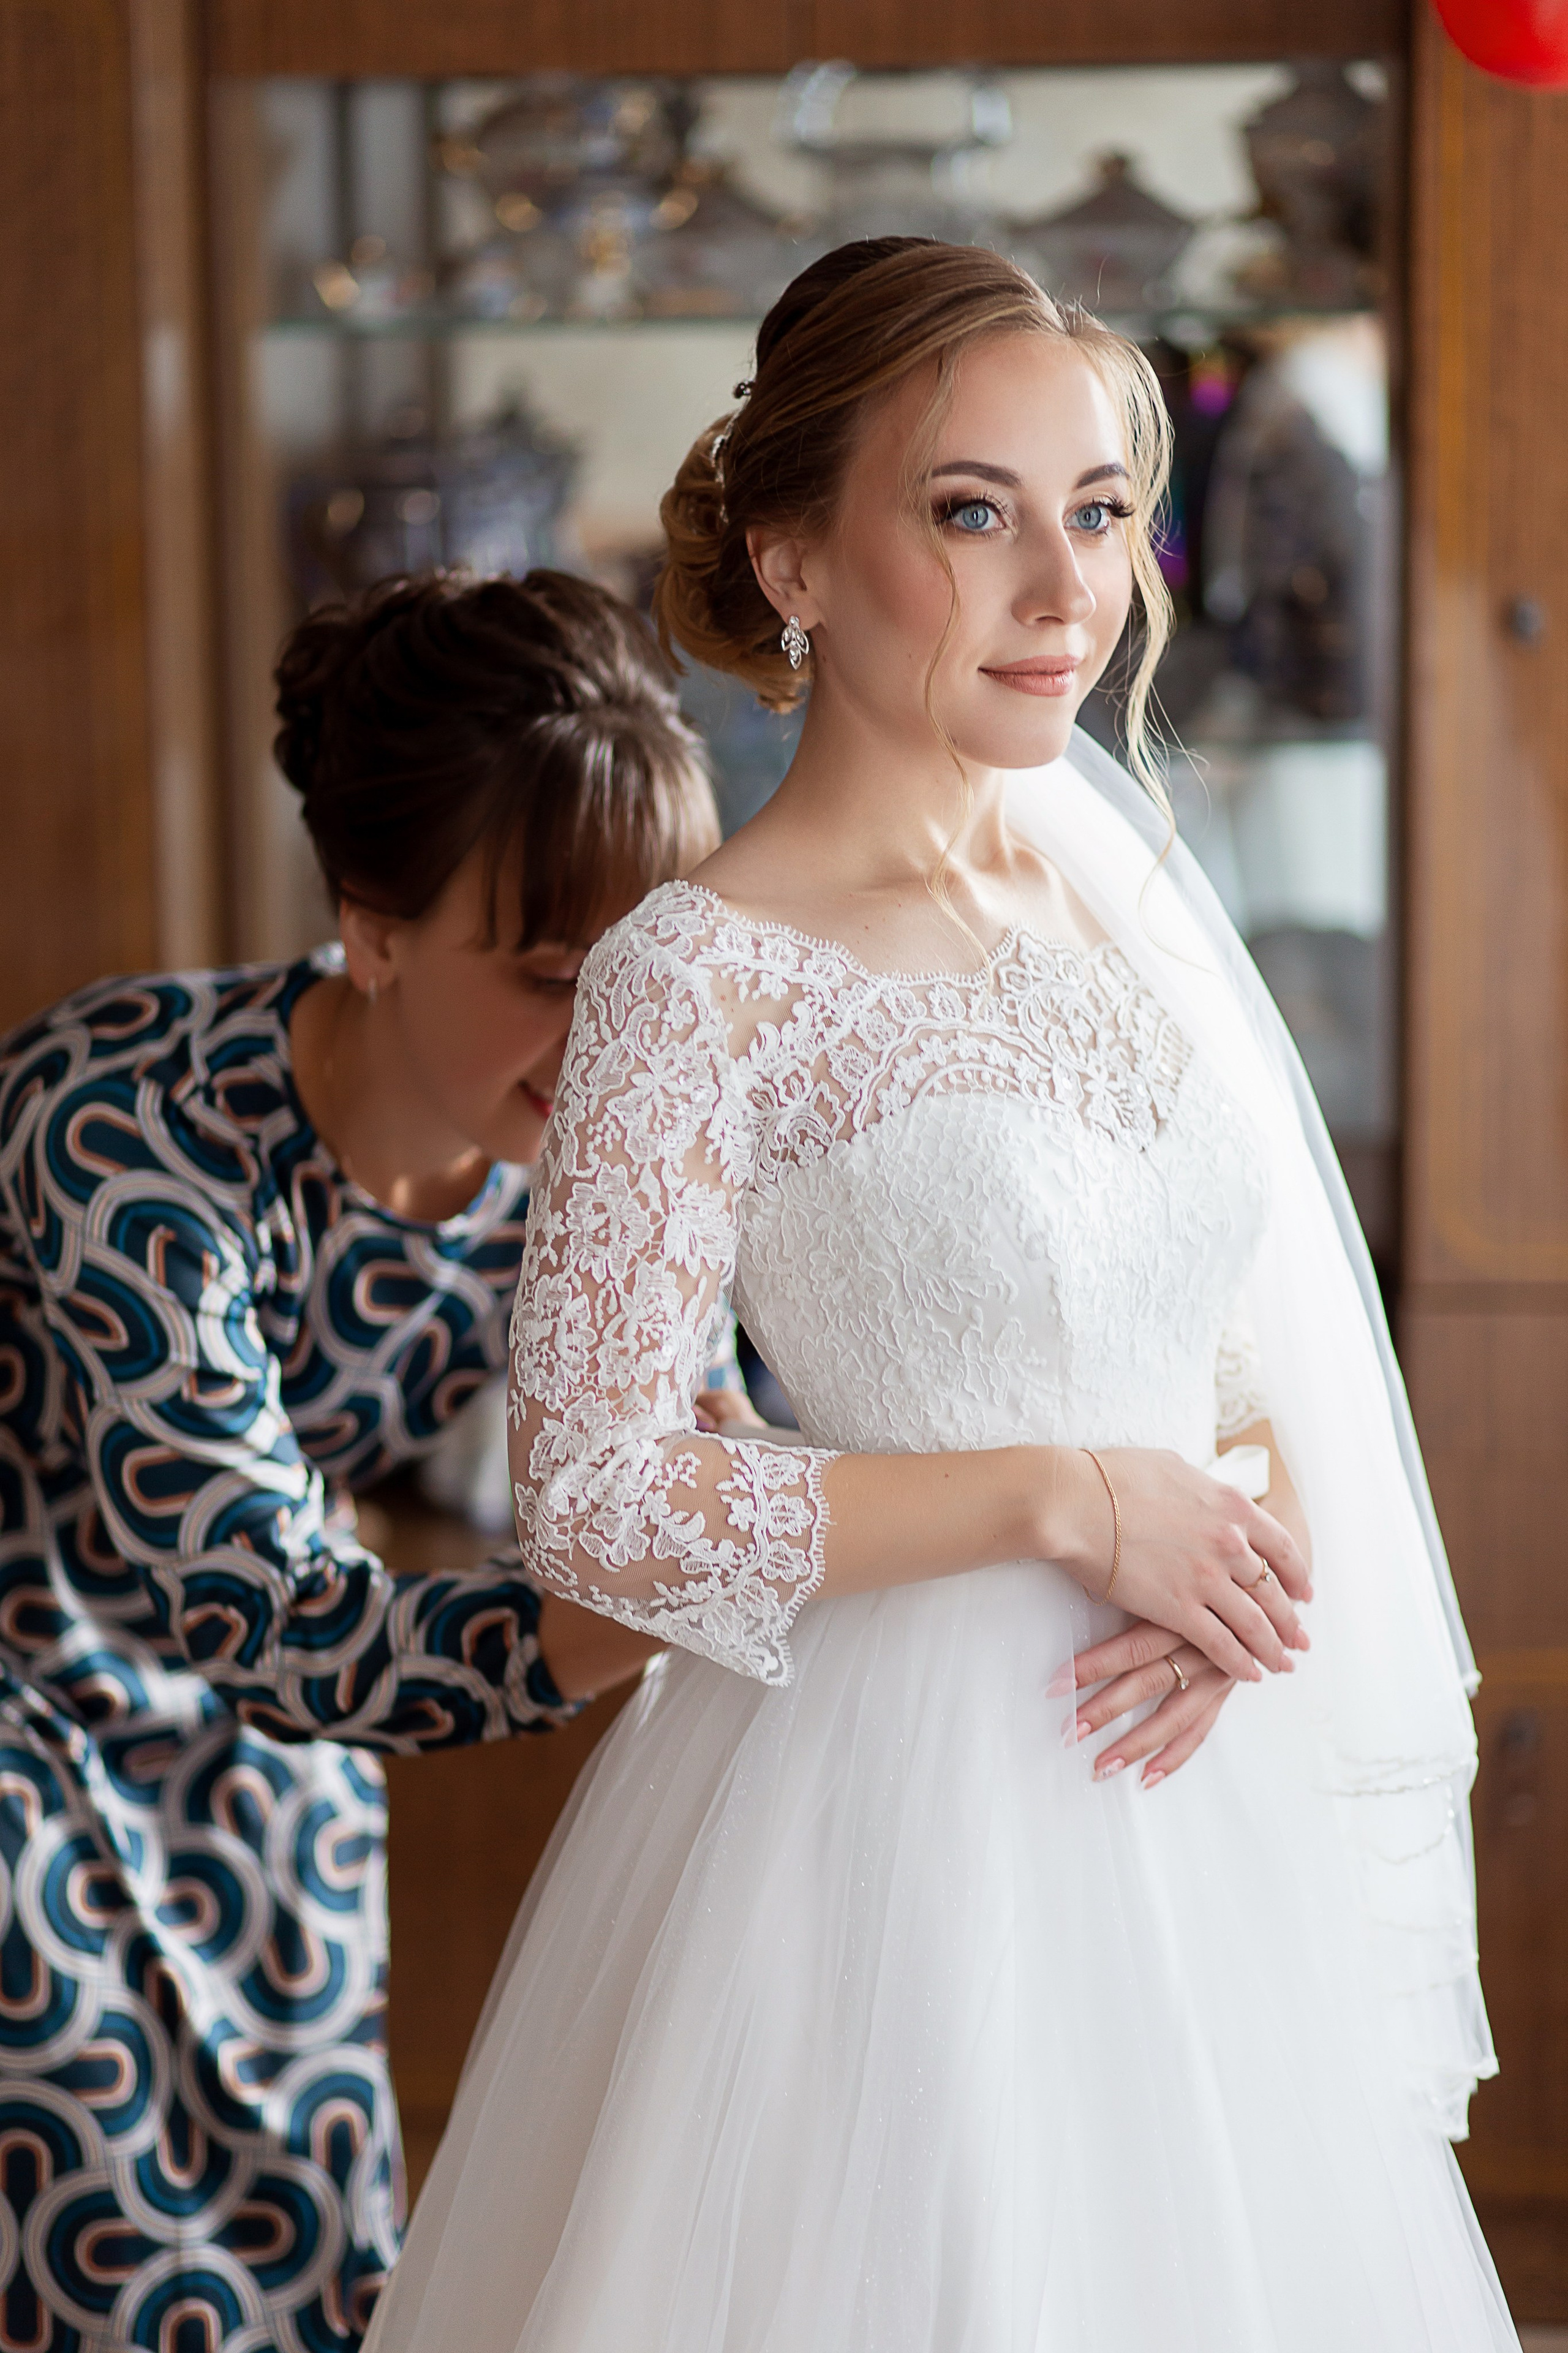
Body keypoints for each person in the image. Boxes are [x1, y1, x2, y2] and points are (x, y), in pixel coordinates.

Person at [367, 244, 1518, 2351]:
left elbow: (1253, 1352)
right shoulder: (691, 978)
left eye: (1098, 511)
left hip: (1185, 1783)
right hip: (877, 1834)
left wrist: (1228, 1567)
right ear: (793, 553)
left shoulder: (1129, 896)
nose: (1063, 589)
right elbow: (601, 1506)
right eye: (972, 512)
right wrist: (1074, 1501)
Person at [0, 569, 735, 2352]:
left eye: (651, 980)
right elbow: (287, 1620)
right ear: (371, 923)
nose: (617, 1046)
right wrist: (694, 1579)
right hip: (38, 1708)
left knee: (332, 2284)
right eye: (553, 975)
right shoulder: (129, 1130)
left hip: (268, 1751)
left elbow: (713, 1428)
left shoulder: (600, 1143)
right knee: (113, 2266)